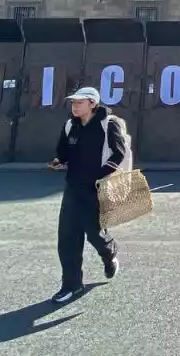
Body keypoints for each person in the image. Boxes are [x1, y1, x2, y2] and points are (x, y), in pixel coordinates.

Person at [48, 86, 130, 303]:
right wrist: (59, 162)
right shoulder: (70, 125)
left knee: (94, 233)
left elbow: (118, 153)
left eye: (80, 102)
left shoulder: (108, 124)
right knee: (67, 238)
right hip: (73, 188)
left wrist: (100, 176)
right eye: (73, 102)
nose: (75, 106)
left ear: (92, 104)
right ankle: (72, 286)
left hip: (96, 188)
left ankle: (109, 252)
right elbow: (63, 151)